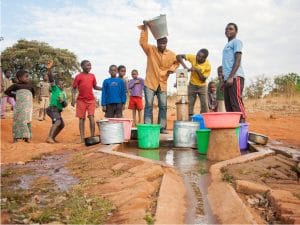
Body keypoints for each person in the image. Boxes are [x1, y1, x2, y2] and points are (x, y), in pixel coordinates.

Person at [140, 21, 179, 134]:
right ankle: (148, 127)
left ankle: (162, 128)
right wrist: (145, 28)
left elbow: (177, 62)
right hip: (150, 83)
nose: (162, 45)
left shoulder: (171, 54)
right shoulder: (151, 50)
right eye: (160, 43)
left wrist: (171, 70)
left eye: (164, 43)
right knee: (148, 105)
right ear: (157, 42)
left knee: (163, 106)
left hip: (162, 83)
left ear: (166, 43)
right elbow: (142, 42)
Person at [71, 60, 102, 143]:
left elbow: (95, 86)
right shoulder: (78, 76)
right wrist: (73, 99)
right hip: (81, 101)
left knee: (91, 117)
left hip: (91, 100)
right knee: (81, 119)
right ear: (82, 66)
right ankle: (82, 138)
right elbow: (73, 88)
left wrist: (103, 88)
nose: (89, 67)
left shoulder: (92, 76)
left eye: (90, 65)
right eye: (88, 65)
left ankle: (92, 137)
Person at [177, 49, 211, 118]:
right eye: (197, 55)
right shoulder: (193, 57)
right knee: (190, 104)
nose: (198, 57)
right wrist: (185, 67)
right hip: (192, 85)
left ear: (205, 58)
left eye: (200, 57)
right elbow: (178, 56)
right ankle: (190, 119)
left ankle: (203, 119)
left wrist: (197, 70)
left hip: (202, 86)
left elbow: (203, 80)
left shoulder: (207, 65)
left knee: (204, 104)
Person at [222, 22, 246, 122]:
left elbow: (238, 59)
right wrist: (223, 80)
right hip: (227, 79)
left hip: (236, 77)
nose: (228, 30)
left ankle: (242, 127)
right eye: (226, 29)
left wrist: (231, 77)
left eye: (231, 29)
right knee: (228, 106)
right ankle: (233, 130)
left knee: (236, 103)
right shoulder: (226, 46)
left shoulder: (237, 42)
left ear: (236, 31)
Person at [5, 70, 35, 143]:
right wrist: (15, 95)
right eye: (26, 76)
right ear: (19, 78)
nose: (28, 78)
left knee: (27, 120)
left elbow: (33, 94)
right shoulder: (16, 85)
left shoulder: (30, 86)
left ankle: (26, 137)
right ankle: (16, 138)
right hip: (19, 107)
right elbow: (7, 92)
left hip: (28, 107)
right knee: (18, 121)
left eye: (28, 76)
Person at [45, 61, 67, 143]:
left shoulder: (63, 94)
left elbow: (65, 105)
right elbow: (51, 79)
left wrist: (63, 101)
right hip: (52, 109)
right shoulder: (55, 89)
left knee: (62, 125)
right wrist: (49, 69)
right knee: (57, 121)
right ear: (57, 85)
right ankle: (49, 138)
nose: (61, 85)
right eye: (59, 84)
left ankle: (52, 137)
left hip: (58, 111)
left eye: (62, 84)